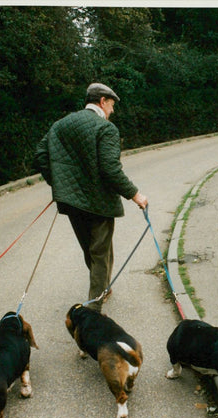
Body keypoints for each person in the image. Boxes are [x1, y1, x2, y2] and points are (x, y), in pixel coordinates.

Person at [33, 83, 148, 311]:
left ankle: (103, 288)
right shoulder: (105, 128)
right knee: (100, 253)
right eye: (112, 105)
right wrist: (135, 195)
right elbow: (110, 169)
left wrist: (59, 184)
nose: (112, 111)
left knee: (92, 251)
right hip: (99, 203)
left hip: (72, 203)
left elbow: (40, 155)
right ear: (103, 101)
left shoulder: (61, 125)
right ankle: (93, 313)